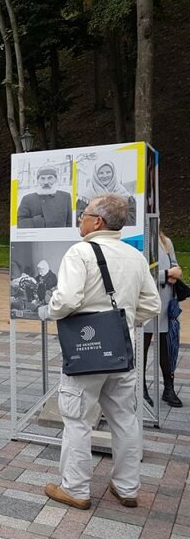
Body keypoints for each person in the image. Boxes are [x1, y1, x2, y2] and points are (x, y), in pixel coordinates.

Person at [39, 194, 160, 510]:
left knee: (77, 419)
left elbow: (66, 300)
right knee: (125, 419)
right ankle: (127, 488)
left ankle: (75, 489)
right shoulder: (134, 256)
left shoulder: (80, 252)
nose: (80, 218)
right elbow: (152, 304)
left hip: (85, 351)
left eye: (84, 214)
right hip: (122, 349)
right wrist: (125, 322)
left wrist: (50, 310)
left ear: (98, 221)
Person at [143, 230, 183, 407]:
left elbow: (176, 267)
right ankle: (141, 388)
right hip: (145, 303)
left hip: (166, 303)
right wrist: (166, 274)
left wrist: (174, 272)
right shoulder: (139, 241)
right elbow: (142, 274)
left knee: (167, 347)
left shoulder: (165, 241)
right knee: (141, 347)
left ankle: (169, 388)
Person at [76, 161, 136, 226]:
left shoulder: (124, 195)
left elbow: (133, 218)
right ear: (95, 175)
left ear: (113, 173)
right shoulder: (85, 197)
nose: (105, 175)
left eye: (108, 172)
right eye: (101, 173)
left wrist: (113, 223)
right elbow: (79, 219)